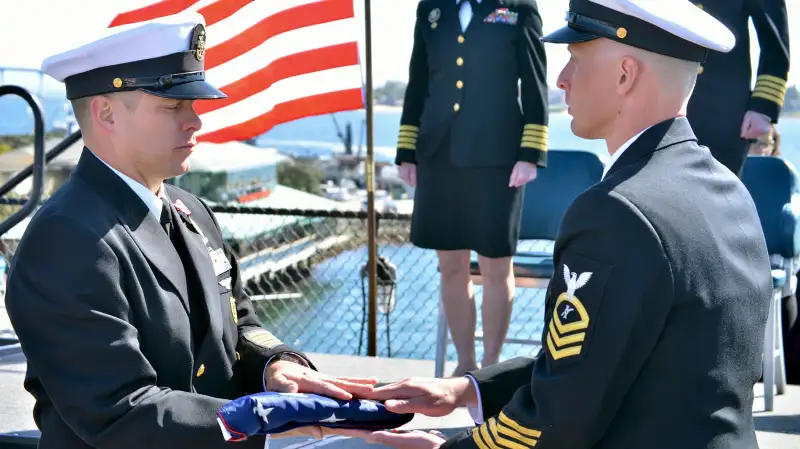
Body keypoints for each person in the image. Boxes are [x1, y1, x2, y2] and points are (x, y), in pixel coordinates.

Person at [344, 0, 774, 448]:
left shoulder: (618, 212)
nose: (562, 78)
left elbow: (557, 420)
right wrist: (466, 390)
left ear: (625, 75)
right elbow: (604, 360)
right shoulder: (728, 192)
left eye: (577, 58)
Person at [3, 13, 376, 449]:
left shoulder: (190, 211)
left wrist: (277, 364)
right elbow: (117, 411)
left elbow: (242, 325)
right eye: (172, 106)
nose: (195, 121)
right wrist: (259, 417)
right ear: (106, 113)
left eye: (193, 105)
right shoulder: (68, 239)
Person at [395, 0, 550, 375]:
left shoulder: (519, 8)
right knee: (451, 267)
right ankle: (463, 366)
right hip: (438, 153)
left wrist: (530, 153)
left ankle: (490, 368)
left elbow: (534, 81)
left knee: (497, 266)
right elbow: (419, 81)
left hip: (498, 157)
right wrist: (407, 150)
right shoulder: (431, 9)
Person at [685, 0, 790, 176]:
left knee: (715, 198)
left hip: (720, 116)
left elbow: (774, 45)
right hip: (653, 106)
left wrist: (762, 107)